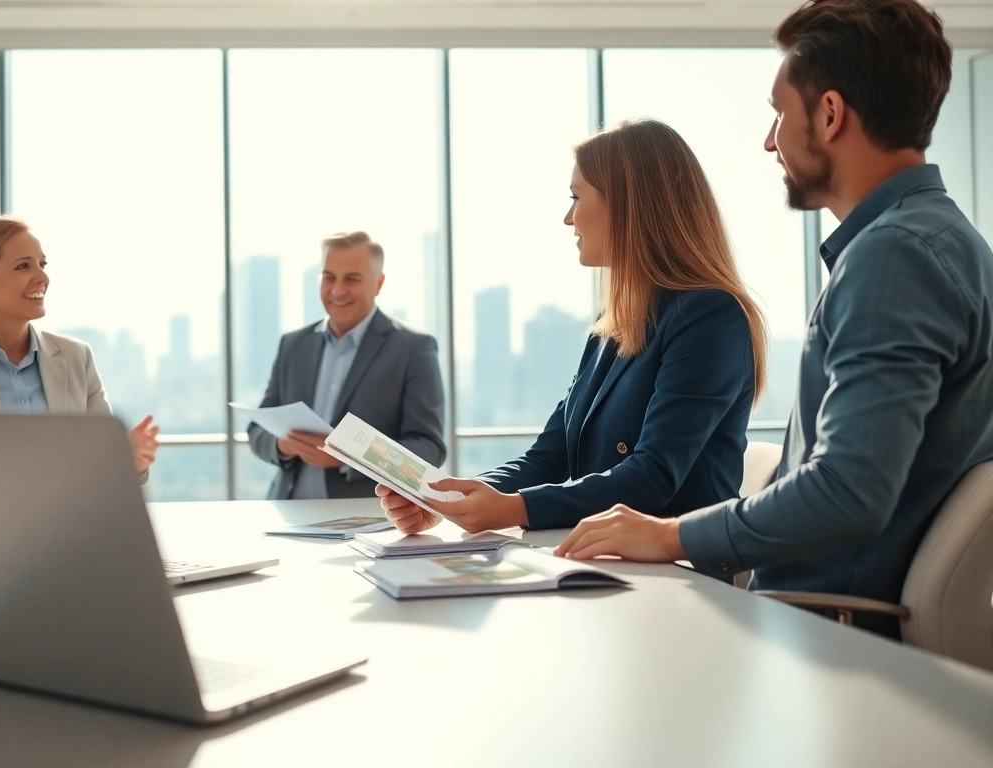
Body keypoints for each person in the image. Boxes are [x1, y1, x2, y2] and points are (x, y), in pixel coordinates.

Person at [554, 0, 993, 640]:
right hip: (812, 624)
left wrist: (671, 534)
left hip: (826, 637)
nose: (770, 140)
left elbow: (848, 489)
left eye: (779, 114)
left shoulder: (893, 258)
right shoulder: (943, 242)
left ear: (831, 114)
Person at [379, 119, 768, 536]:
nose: (568, 218)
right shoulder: (613, 326)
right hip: (607, 562)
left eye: (576, 197)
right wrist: (453, 499)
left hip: (677, 575)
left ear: (626, 205)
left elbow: (652, 476)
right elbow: (549, 457)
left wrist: (513, 510)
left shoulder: (709, 316)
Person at [0, 217, 160, 477]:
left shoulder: (77, 358)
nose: (43, 277)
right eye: (24, 266)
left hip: (67, 517)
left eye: (42, 264)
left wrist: (130, 463)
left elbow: (102, 469)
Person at [248, 231, 446, 499]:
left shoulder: (413, 349)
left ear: (378, 283)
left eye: (352, 279)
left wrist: (348, 457)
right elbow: (257, 431)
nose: (337, 290)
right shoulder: (293, 346)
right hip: (287, 514)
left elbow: (429, 449)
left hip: (366, 522)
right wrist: (281, 445)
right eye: (329, 277)